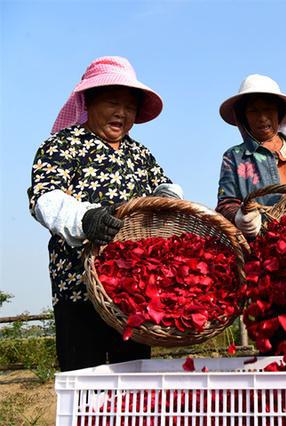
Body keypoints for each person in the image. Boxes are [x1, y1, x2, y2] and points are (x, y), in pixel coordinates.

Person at [28, 56, 183, 371]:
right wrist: (87, 219)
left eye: (129, 107)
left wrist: (167, 201)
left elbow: (166, 190)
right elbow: (45, 198)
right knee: (85, 383)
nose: (122, 113)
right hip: (80, 289)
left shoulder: (140, 155)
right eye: (113, 102)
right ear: (89, 102)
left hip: (134, 296)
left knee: (134, 387)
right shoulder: (63, 145)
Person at [216, 74, 286, 237]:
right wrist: (239, 217)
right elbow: (225, 204)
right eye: (253, 111)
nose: (262, 118)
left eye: (268, 109)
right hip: (264, 243)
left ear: (279, 112)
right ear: (244, 116)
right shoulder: (235, 156)